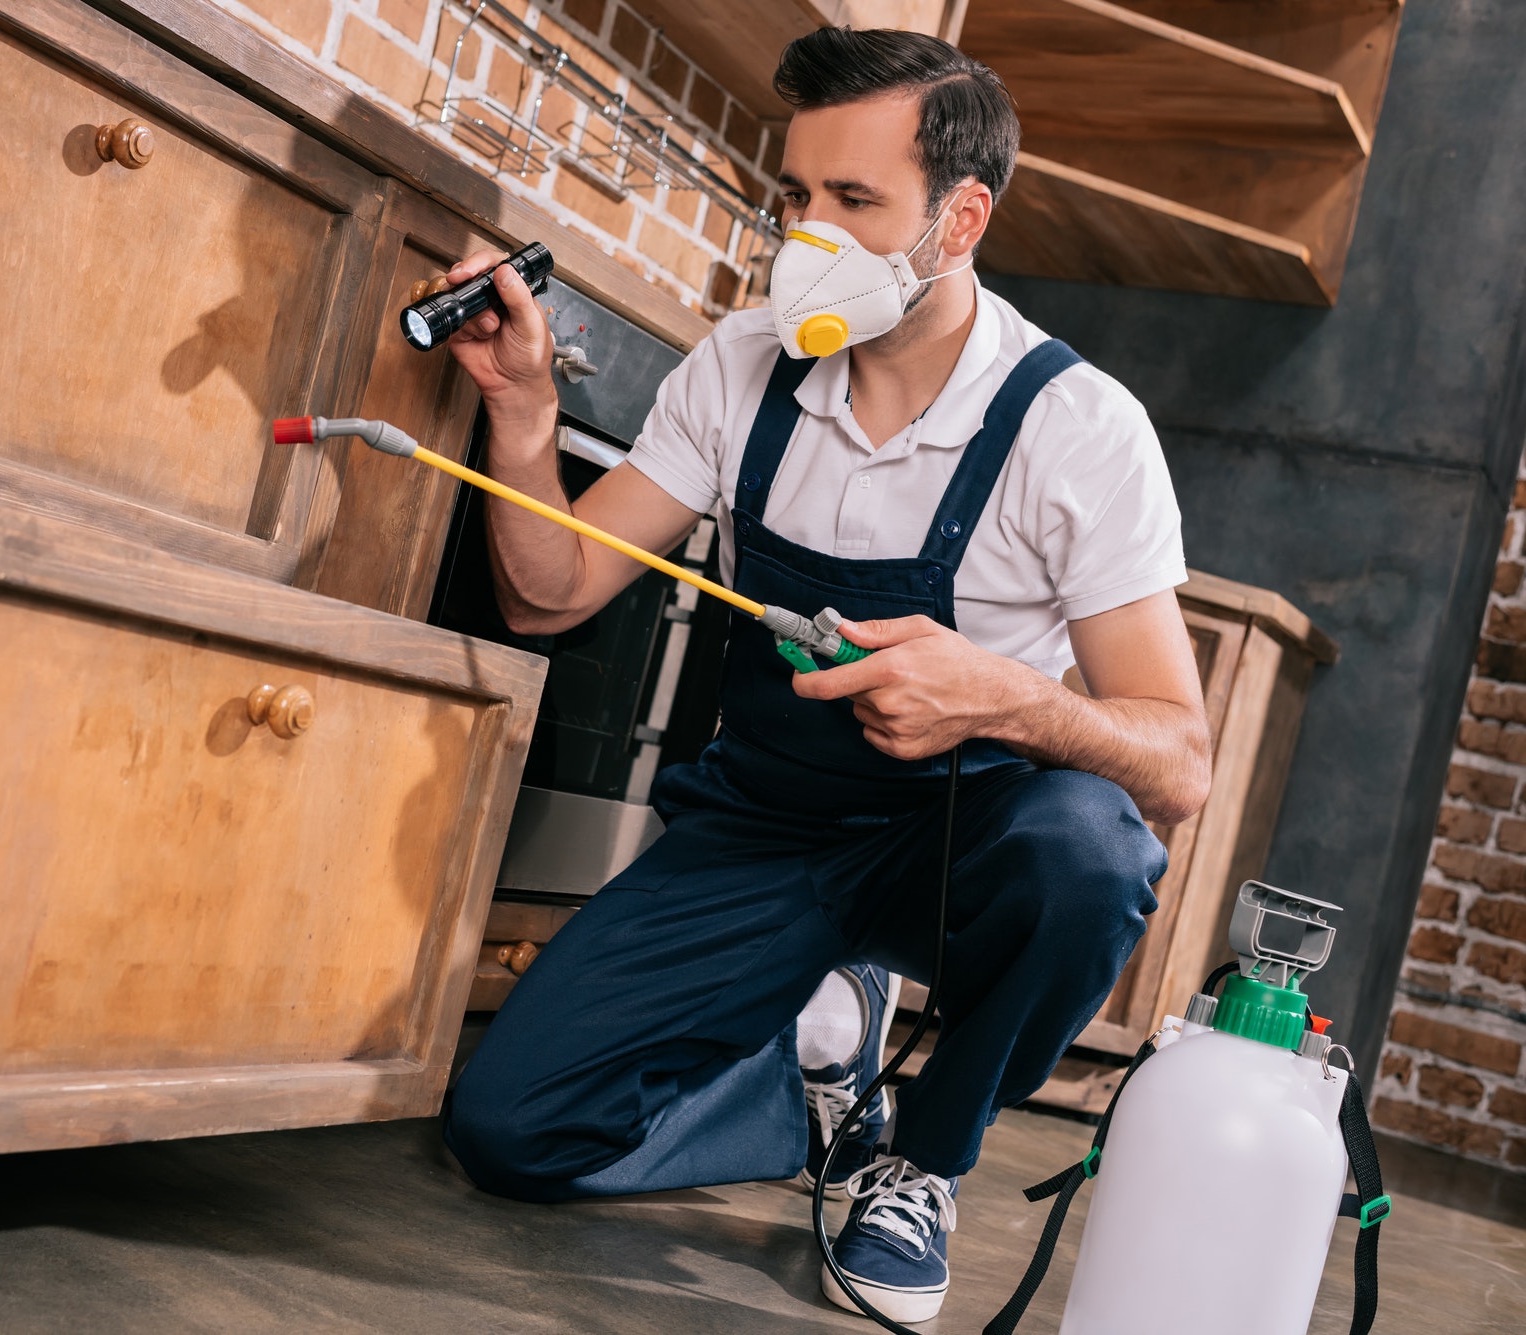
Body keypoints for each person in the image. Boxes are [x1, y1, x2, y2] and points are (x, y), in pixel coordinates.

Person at [438, 26, 1209, 1325]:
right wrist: (520, 417)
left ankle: (922, 1161)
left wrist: (1008, 696)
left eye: (855, 200)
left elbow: (1180, 763)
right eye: (797, 195)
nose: (810, 236)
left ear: (961, 219)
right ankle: (797, 1087)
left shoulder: (1077, 429)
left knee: (1093, 853)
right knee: (508, 1132)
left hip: (959, 842)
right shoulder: (741, 368)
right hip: (764, 828)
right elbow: (549, 593)